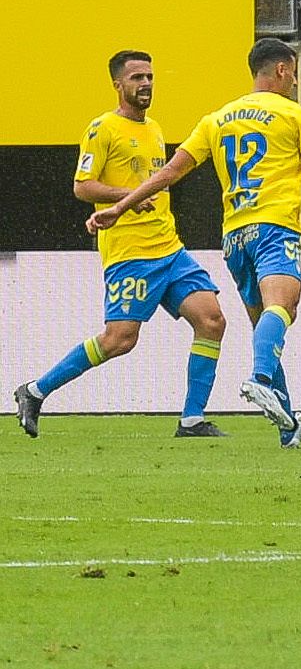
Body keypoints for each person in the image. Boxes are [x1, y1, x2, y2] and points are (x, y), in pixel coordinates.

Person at [88, 39, 301, 447]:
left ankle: (288, 425)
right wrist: (297, 163)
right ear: (281, 71)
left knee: (264, 326)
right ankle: (259, 380)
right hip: (273, 225)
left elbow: (169, 173)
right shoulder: (292, 114)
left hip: (235, 237)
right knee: (283, 306)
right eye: (293, 73)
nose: (293, 81)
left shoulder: (217, 119)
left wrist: (119, 207)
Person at [13, 51, 229, 440]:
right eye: (136, 78)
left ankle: (192, 420)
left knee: (212, 320)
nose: (145, 84)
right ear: (118, 84)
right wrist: (127, 196)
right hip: (130, 254)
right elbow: (82, 186)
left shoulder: (156, 128)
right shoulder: (103, 128)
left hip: (169, 248)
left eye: (149, 77)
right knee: (119, 340)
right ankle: (34, 391)